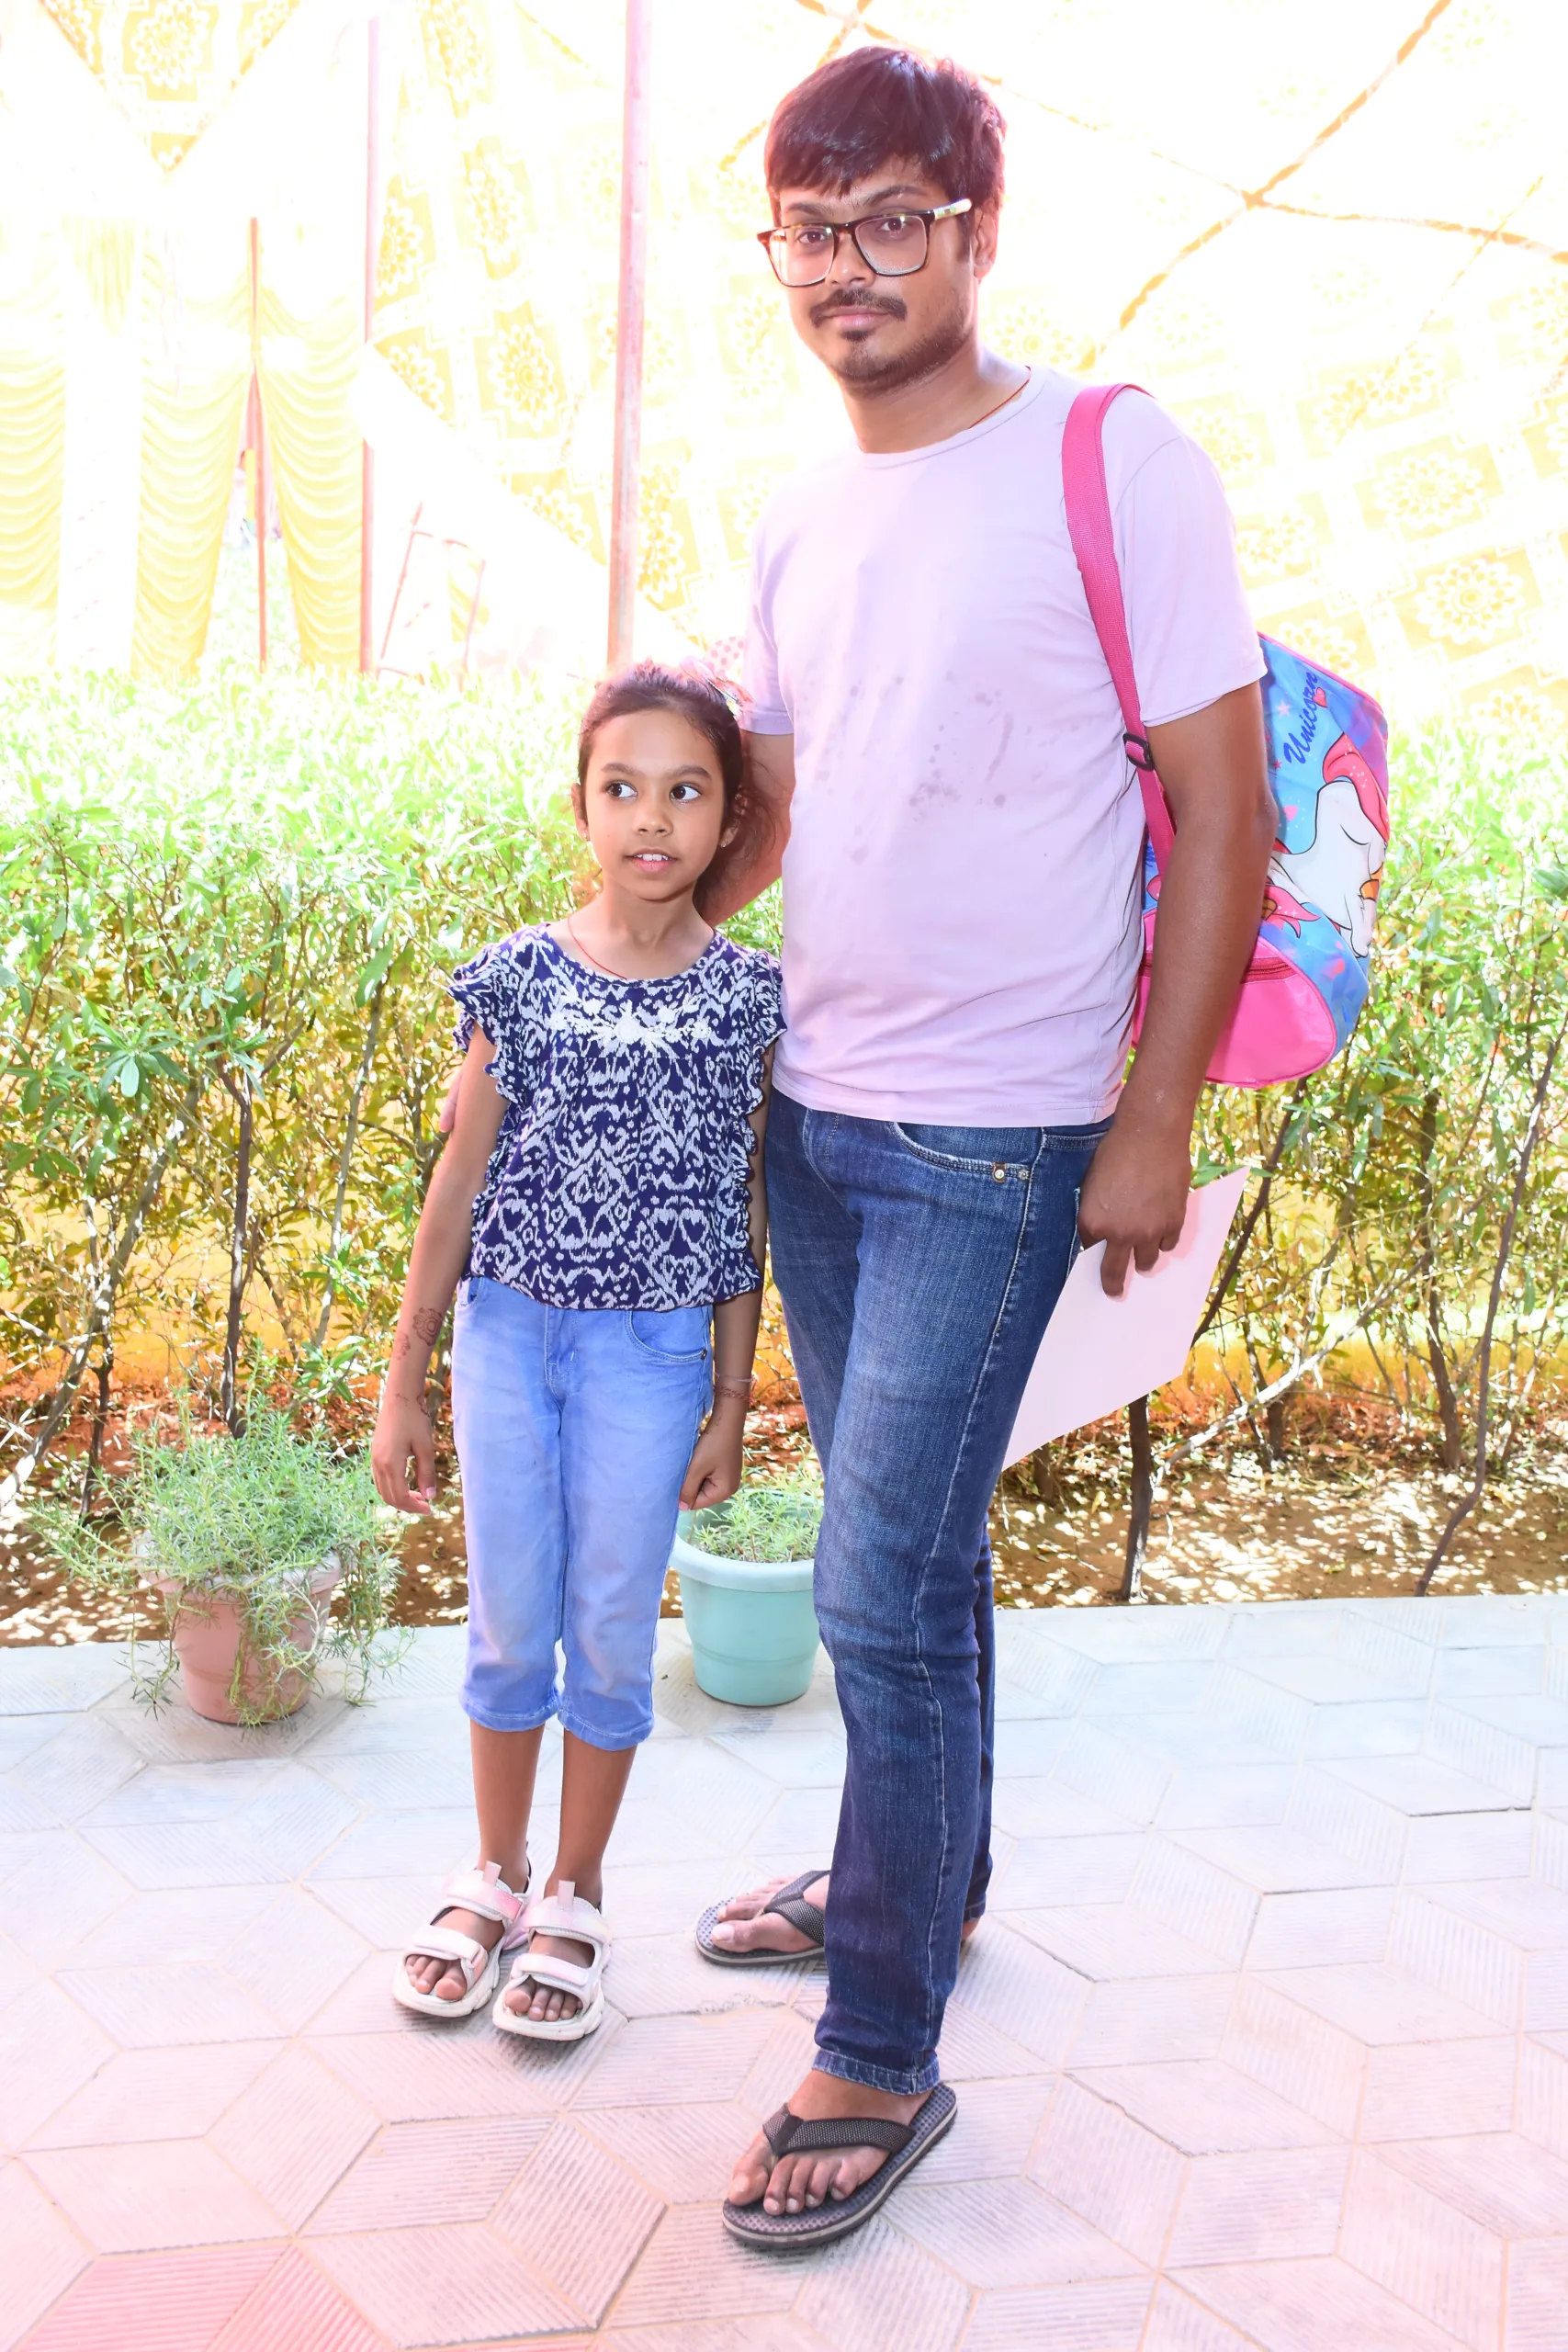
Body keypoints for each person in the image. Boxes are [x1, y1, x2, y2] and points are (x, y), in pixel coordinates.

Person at [690, 49, 1276, 2246]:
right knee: (914, 1564)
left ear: (977, 229)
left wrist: (1154, 1115)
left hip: (1003, 1131)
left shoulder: (1109, 457)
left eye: (892, 219)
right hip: (817, 1110)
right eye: (808, 227)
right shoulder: (796, 513)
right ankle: (915, 1878)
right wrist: (615, 930)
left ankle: (879, 2039)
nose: (845, 265)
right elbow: (771, 809)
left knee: (872, 1577)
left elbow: (1221, 801)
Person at [373, 662, 781, 2041]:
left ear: (728, 819)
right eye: (624, 787)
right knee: (507, 1619)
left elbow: (742, 1204)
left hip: (653, 1358)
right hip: (506, 1337)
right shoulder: (519, 978)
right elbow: (455, 1184)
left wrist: (729, 1397)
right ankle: (490, 1878)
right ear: (583, 806)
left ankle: (575, 1888)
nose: (651, 818)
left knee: (609, 1632)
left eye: (686, 791)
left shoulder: (749, 1001)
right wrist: (405, 1376)